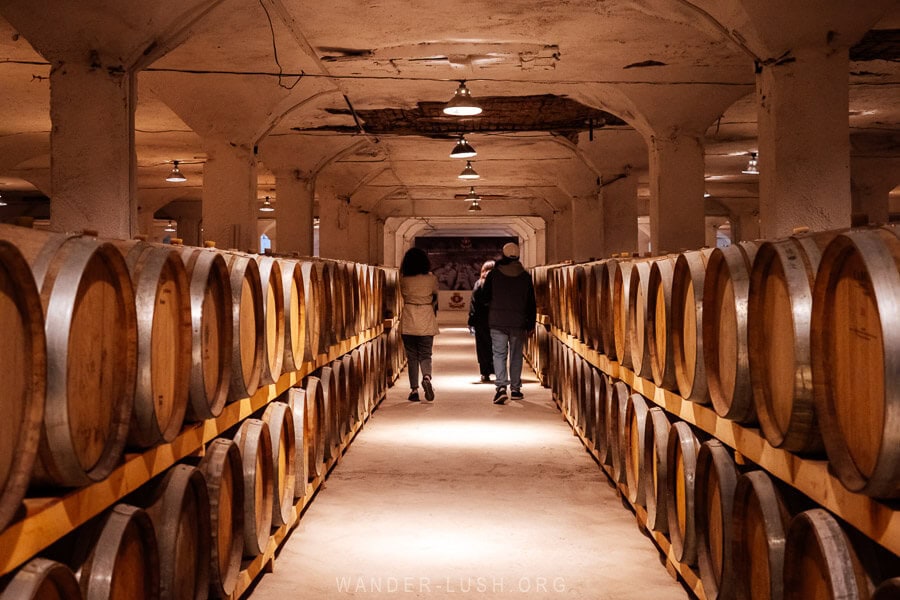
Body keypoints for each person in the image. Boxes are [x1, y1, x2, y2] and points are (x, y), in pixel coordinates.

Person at [482, 242, 536, 404]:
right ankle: (516, 389)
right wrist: (531, 324)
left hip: (497, 320)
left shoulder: (494, 275)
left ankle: (501, 387)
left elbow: (485, 298)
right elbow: (531, 302)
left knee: (499, 354)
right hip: (518, 321)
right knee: (516, 355)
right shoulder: (525, 276)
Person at [398, 247, 439, 402]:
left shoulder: (403, 279)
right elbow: (435, 297)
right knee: (425, 354)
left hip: (409, 316)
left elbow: (401, 294)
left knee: (412, 356)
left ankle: (414, 389)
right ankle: (427, 377)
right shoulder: (431, 278)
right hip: (426, 316)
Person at [468, 260, 495, 383]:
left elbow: (473, 304)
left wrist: (471, 321)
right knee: (497, 345)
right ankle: (497, 369)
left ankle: (485, 373)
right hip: (496, 319)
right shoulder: (498, 283)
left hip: (481, 320)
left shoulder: (479, 283)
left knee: (482, 346)